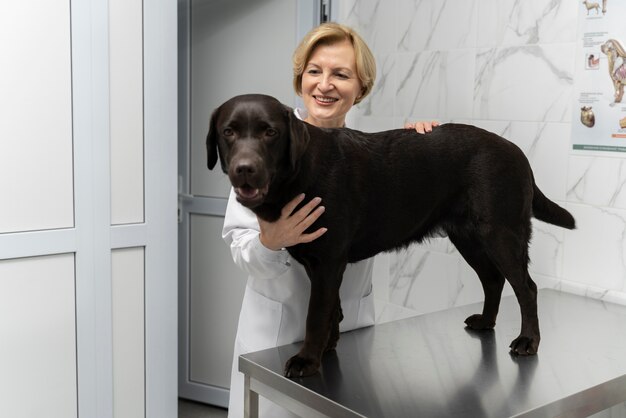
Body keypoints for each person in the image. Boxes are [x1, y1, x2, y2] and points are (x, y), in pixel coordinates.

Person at [222, 22, 437, 417]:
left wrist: (423, 151)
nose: (325, 84)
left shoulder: (375, 157)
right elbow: (240, 250)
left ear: (361, 88)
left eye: (341, 74)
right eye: (314, 71)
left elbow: (411, 201)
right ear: (300, 80)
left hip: (348, 334)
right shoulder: (262, 154)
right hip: (275, 334)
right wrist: (274, 239)